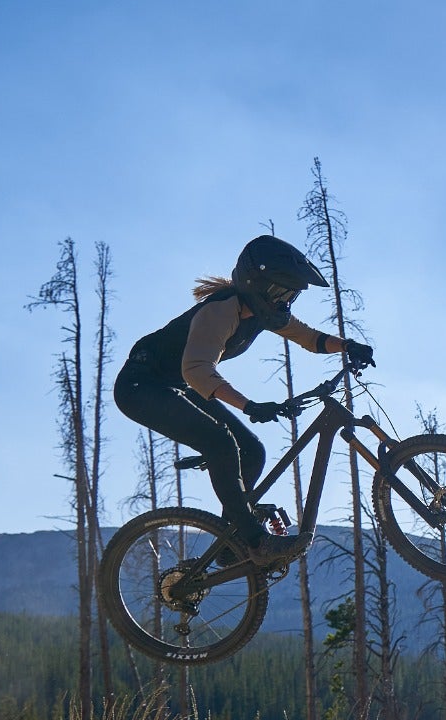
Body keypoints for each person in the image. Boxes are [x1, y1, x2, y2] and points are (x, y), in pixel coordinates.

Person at [114, 235, 374, 563]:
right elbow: (196, 370)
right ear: (258, 285)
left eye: (291, 295)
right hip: (141, 387)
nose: (286, 303)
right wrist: (249, 406)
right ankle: (255, 541)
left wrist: (349, 346)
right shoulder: (221, 312)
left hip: (175, 386)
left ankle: (228, 545)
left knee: (252, 451)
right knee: (221, 443)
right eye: (282, 293)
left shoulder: (261, 314)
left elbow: (309, 337)